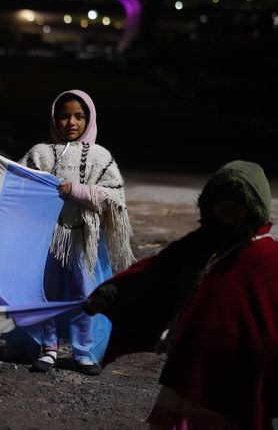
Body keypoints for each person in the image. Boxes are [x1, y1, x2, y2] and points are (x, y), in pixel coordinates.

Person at [85, 160, 278, 428]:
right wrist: (112, 293)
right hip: (192, 364)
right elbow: (155, 271)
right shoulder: (200, 243)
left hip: (240, 372)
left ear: (253, 206)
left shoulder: (268, 258)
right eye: (220, 199)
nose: (227, 206)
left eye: (237, 200)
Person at [6, 89, 134, 375]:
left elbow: (114, 197)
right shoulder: (39, 153)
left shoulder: (101, 157)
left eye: (79, 116)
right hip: (47, 242)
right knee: (46, 292)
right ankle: (48, 348)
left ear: (89, 119)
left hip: (84, 241)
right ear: (54, 119)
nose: (71, 123)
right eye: (64, 116)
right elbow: (19, 187)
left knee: (84, 295)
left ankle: (83, 351)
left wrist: (77, 190)